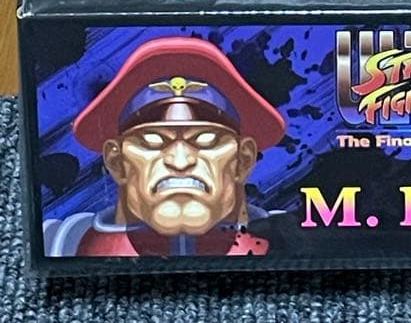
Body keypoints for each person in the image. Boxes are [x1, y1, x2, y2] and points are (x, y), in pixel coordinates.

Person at [43, 36, 286, 257]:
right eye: (152, 141)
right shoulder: (61, 245)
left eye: (206, 140)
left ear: (244, 159)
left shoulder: (289, 244)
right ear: (116, 161)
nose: (180, 160)